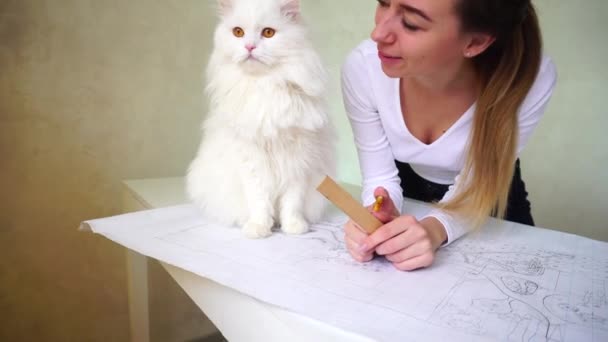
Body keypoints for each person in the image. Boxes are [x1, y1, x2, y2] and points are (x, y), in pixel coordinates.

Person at [340, 0, 557, 271]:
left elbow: (477, 185)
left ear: (475, 43)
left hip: (487, 197)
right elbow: (379, 177)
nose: (378, 34)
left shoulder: (530, 77)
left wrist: (434, 230)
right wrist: (376, 214)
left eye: (411, 23)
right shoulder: (363, 67)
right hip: (408, 190)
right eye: (383, 3)